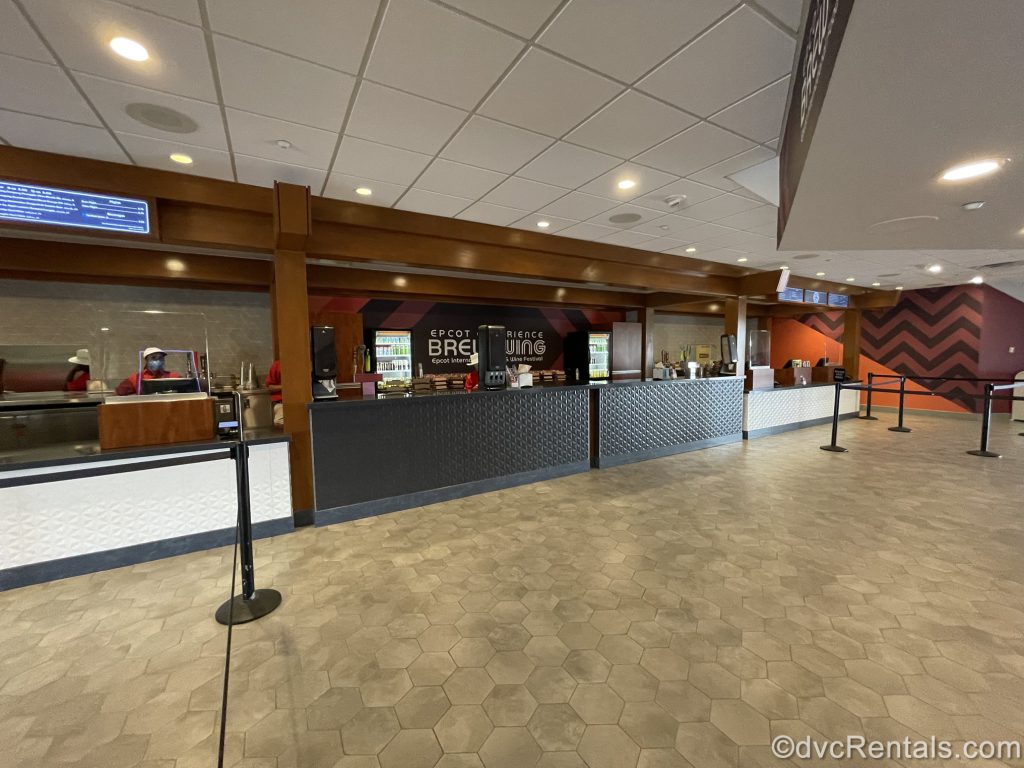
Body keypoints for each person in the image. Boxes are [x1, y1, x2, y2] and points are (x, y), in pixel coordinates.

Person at [115, 347, 180, 395]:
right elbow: (119, 393)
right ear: (146, 360)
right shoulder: (136, 378)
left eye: (160, 358)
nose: (158, 360)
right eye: (153, 358)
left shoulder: (173, 376)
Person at [266, 359, 284, 427]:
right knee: (279, 423)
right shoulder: (277, 365)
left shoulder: (304, 363)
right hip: (282, 403)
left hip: (302, 403)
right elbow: (270, 387)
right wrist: (286, 387)